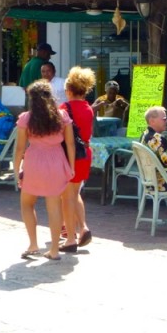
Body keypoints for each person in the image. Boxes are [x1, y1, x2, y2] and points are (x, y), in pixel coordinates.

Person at [14, 80, 75, 261]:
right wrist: (71, 167)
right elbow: (70, 144)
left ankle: (33, 244)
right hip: (56, 161)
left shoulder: (26, 118)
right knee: (54, 207)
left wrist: (17, 169)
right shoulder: (62, 116)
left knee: (26, 203)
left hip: (33, 162)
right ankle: (54, 249)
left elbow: (19, 148)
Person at [60, 66, 95, 253]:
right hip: (85, 153)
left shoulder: (64, 108)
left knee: (67, 196)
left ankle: (71, 238)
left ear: (70, 90)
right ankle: (83, 228)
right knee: (74, 192)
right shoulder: (89, 108)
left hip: (68, 155)